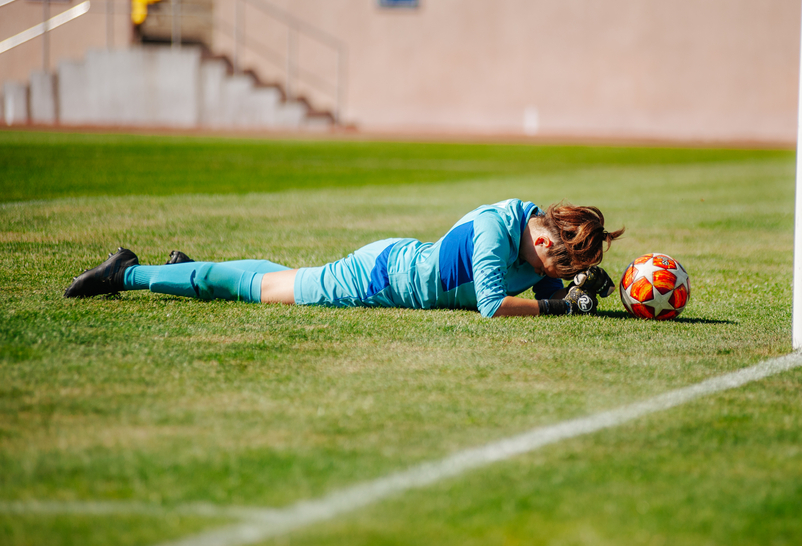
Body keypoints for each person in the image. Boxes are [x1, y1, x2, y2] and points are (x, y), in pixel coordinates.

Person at [64, 199, 624, 317]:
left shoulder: (535, 241)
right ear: (546, 240)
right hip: (375, 278)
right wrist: (564, 308)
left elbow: (541, 284)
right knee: (253, 290)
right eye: (564, 265)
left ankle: (186, 264)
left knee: (270, 279)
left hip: (391, 267)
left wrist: (573, 291)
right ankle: (128, 272)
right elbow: (491, 306)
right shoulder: (492, 231)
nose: (561, 276)